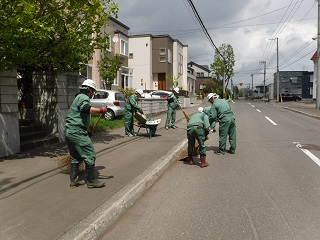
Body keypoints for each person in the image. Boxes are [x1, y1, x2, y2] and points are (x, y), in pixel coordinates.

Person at [65, 79, 107, 188]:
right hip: (77, 132)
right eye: (92, 91)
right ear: (89, 89)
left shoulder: (78, 97)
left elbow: (78, 116)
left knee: (76, 157)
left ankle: (74, 181)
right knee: (90, 155)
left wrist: (86, 130)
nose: (93, 94)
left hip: (70, 131)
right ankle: (91, 181)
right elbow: (85, 109)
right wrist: (101, 110)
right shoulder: (83, 97)